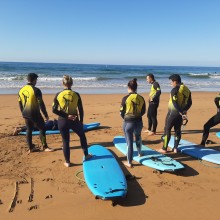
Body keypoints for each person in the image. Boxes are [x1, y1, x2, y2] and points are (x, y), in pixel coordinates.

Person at [52, 75, 92, 167]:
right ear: (72, 83)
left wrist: (66, 115)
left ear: (63, 83)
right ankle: (86, 155)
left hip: (62, 121)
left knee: (65, 141)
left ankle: (67, 162)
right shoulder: (76, 95)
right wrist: (81, 120)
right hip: (75, 120)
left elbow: (54, 110)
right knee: (82, 136)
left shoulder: (58, 95)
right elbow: (81, 109)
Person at [18, 73, 54, 153]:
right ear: (34, 80)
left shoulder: (21, 90)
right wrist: (46, 115)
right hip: (34, 113)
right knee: (42, 128)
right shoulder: (36, 90)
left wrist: (23, 114)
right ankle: (45, 147)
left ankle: (31, 148)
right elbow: (41, 104)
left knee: (29, 129)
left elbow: (20, 104)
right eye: (36, 80)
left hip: (25, 113)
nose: (36, 81)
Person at [158, 74, 192, 153]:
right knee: (177, 130)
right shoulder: (187, 90)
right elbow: (190, 102)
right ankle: (175, 148)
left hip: (172, 113)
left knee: (167, 129)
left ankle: (164, 148)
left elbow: (174, 103)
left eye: (171, 82)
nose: (171, 84)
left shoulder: (174, 90)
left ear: (175, 81)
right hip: (181, 114)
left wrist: (180, 111)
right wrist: (184, 111)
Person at [120, 78, 146, 168]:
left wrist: (126, 118)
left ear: (128, 87)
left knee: (129, 142)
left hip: (128, 122)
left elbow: (121, 112)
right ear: (136, 87)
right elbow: (143, 111)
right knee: (138, 137)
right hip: (139, 122)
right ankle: (140, 153)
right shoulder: (141, 98)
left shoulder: (125, 98)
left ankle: (129, 162)